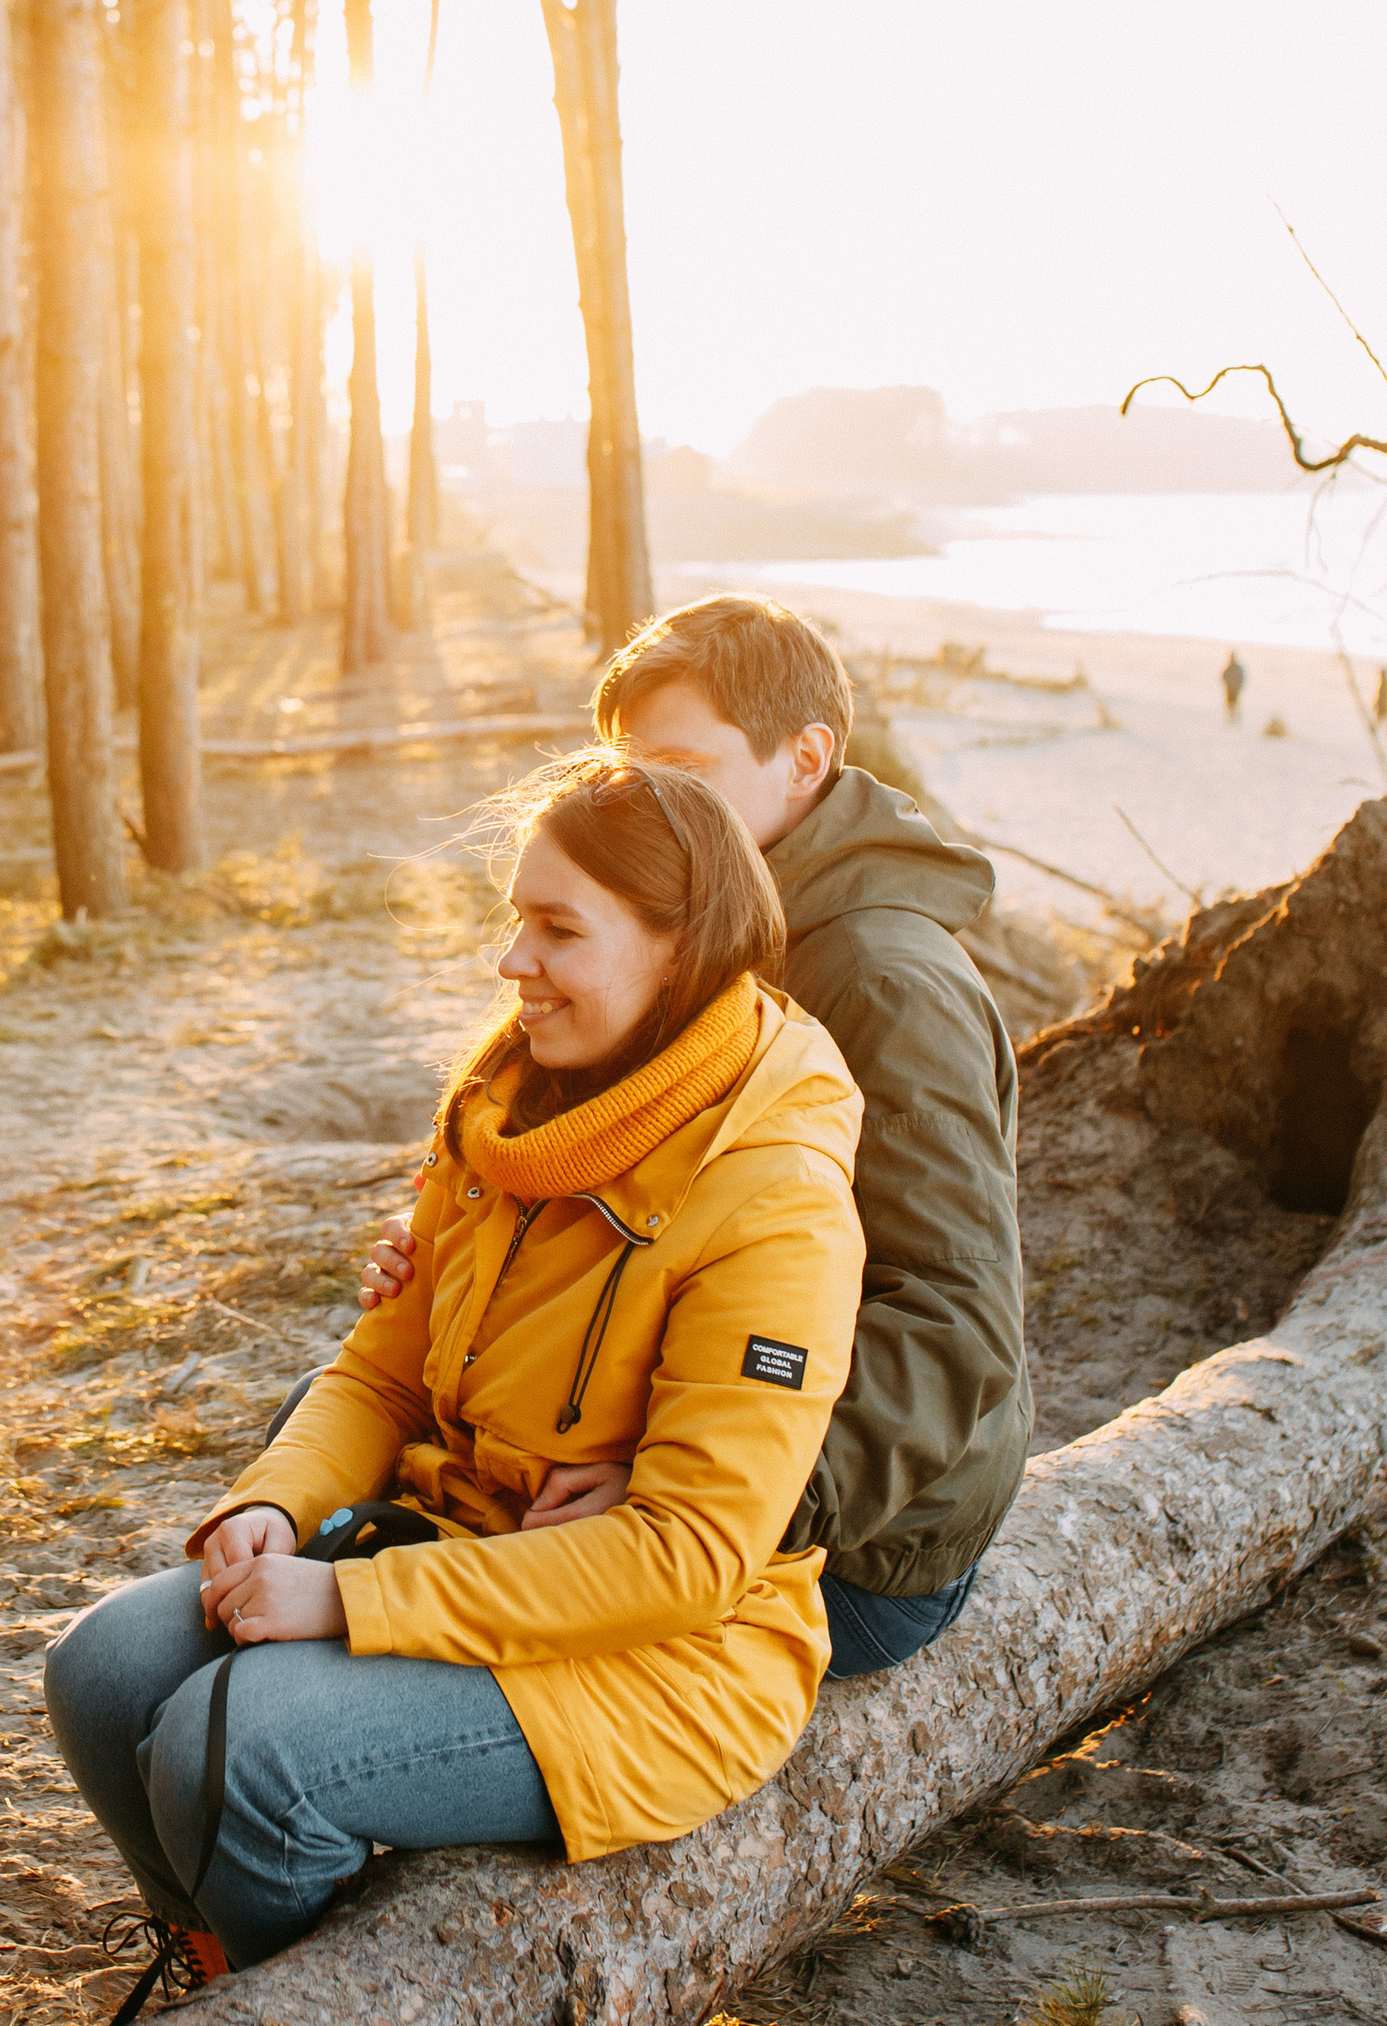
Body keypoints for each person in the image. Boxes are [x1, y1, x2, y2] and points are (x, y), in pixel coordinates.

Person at [42, 751, 865, 1975]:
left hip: (662, 1657)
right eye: (512, 919)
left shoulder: (771, 1197)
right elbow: (381, 1371)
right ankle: (225, 1978)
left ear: (677, 951)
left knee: (231, 1747)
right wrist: (274, 1504)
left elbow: (690, 1556)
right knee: (102, 1675)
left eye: (555, 930)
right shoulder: (505, 1108)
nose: (509, 963)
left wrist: (347, 1600)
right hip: (455, 1539)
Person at [366, 593, 1027, 1680]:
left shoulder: (882, 983)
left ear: (804, 758)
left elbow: (957, 1320)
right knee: (339, 1422)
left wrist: (719, 1489)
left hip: (851, 1539)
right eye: (621, 770)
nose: (637, 802)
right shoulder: (680, 919)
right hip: (661, 1410)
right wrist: (467, 1249)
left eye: (676, 770)